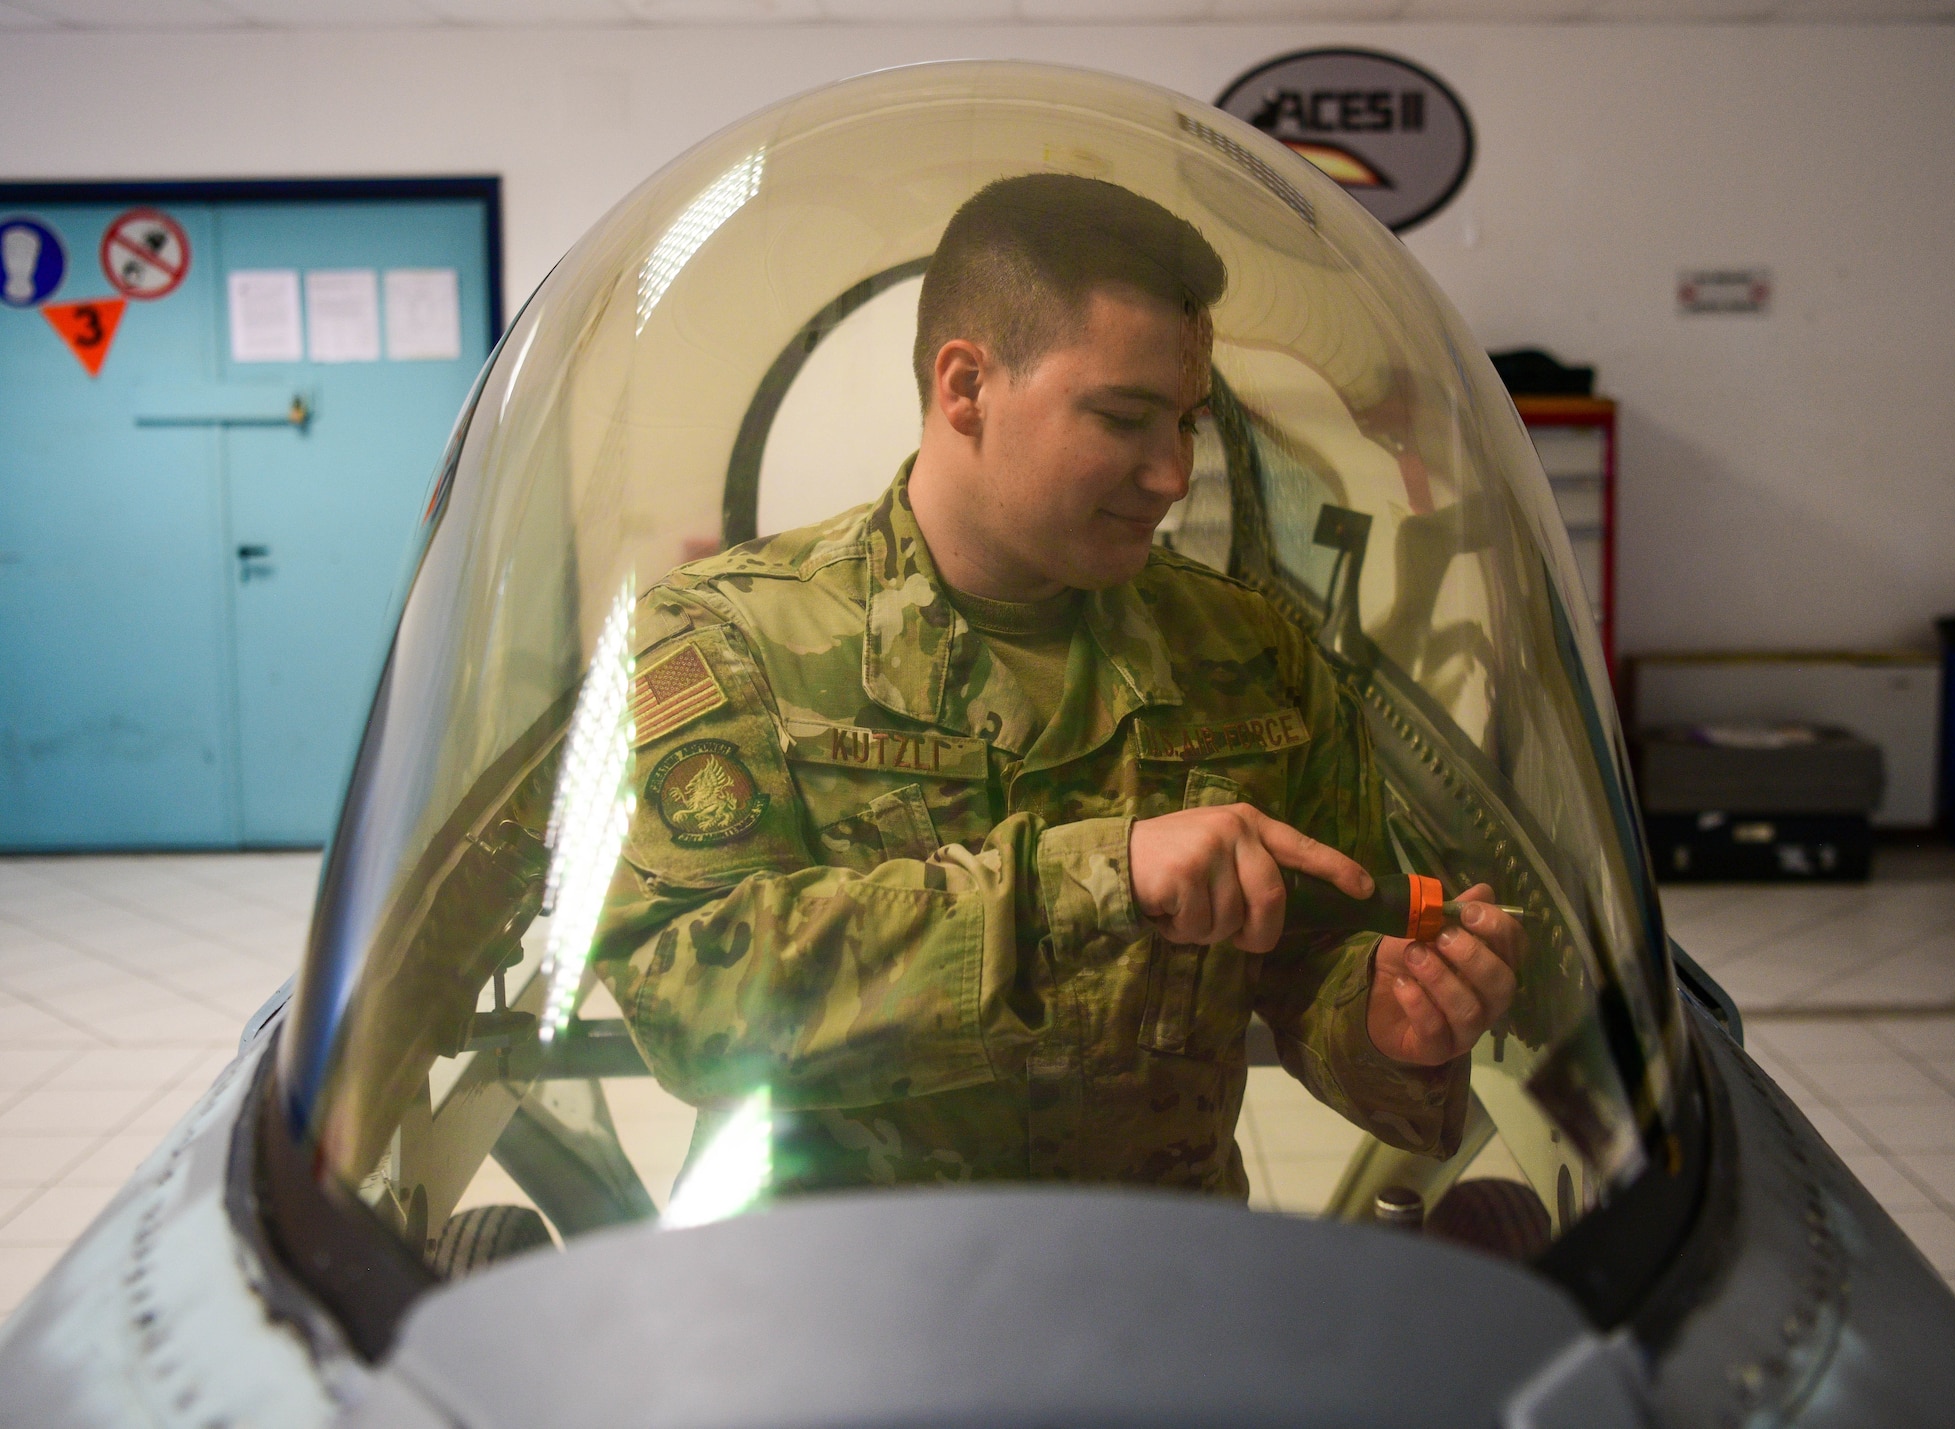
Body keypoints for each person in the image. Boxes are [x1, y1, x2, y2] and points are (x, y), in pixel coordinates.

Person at [591, 174, 1522, 1197]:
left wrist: (1390, 1017)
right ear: (965, 389)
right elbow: (686, 990)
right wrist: (1096, 880)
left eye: (1187, 424)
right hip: (837, 1299)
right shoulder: (731, 637)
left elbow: (1315, 953)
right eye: (1124, 419)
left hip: (1144, 1290)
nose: (1170, 474)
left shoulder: (1247, 654)